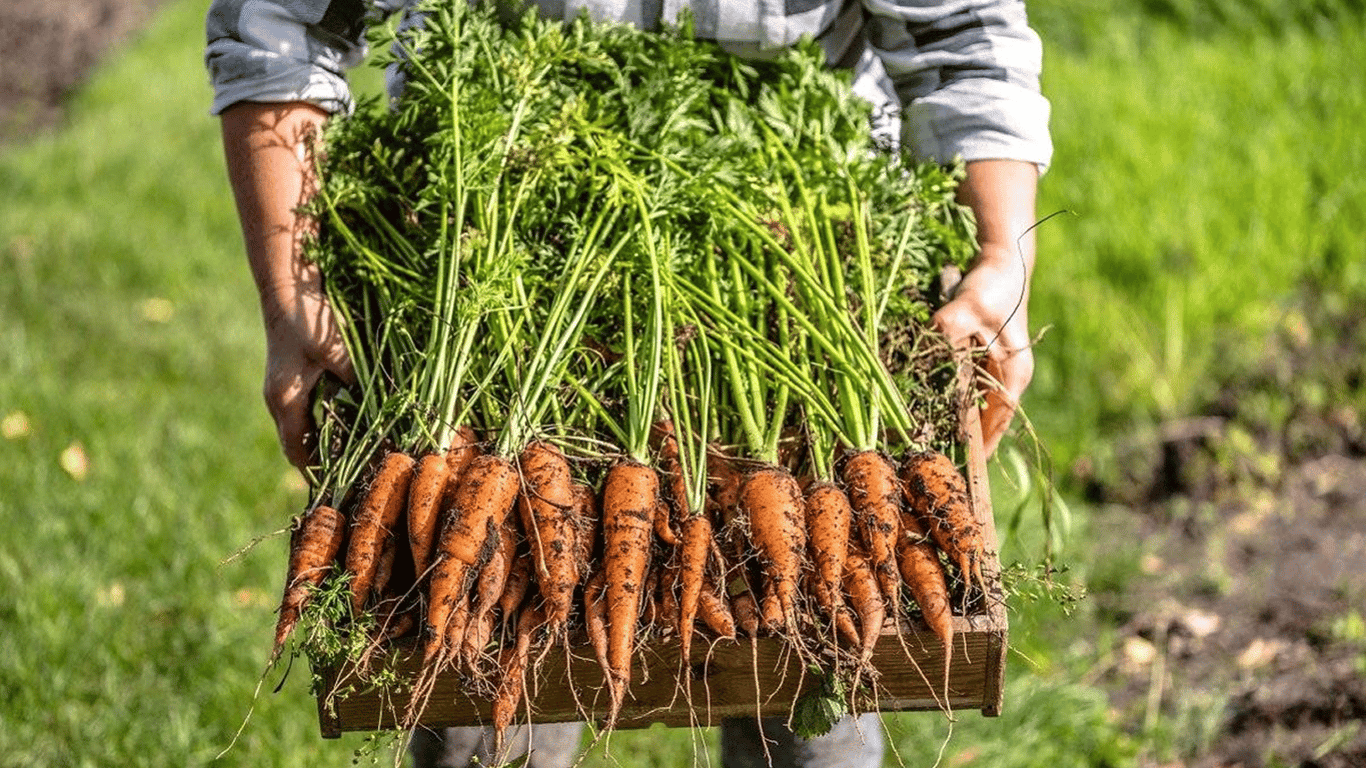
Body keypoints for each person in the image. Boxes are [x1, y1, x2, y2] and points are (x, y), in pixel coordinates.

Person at [206, 2, 1051, 766]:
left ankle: (823, 615)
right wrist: (292, 302)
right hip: (487, 233)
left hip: (795, 259)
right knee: (476, 679)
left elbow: (964, 29)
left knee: (820, 653)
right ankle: (472, 649)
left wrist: (1004, 254)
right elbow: (282, 22)